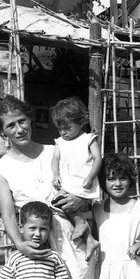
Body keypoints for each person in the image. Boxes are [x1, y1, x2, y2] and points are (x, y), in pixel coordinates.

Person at [0, 95, 96, 279]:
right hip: (35, 243)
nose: (19, 129)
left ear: (30, 120)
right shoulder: (2, 168)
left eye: (22, 121)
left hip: (70, 236)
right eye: (11, 125)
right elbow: (8, 214)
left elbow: (87, 187)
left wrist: (79, 201)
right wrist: (21, 245)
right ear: (2, 132)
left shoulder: (54, 151)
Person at [50, 96, 102, 261]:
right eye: (60, 129)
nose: (63, 132)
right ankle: (89, 238)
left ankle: (83, 228)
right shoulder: (60, 142)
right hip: (68, 180)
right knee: (58, 201)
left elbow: (98, 159)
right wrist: (56, 174)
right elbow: (55, 159)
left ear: (80, 122)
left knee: (67, 203)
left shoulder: (88, 139)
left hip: (82, 180)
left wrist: (91, 176)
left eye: (67, 128)